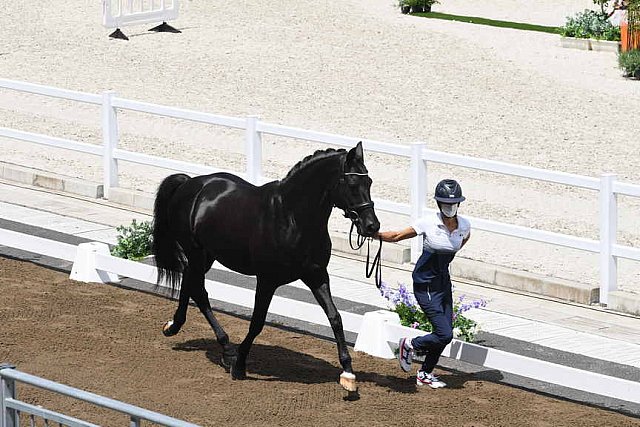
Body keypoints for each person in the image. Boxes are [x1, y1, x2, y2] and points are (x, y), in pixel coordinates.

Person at [376, 179, 470, 389]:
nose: (450, 207)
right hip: (425, 284)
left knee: (445, 334)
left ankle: (425, 373)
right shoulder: (428, 222)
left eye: (453, 204)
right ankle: (409, 344)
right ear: (438, 204)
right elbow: (398, 235)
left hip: (443, 283)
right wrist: (375, 235)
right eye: (446, 203)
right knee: (443, 333)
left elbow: (462, 240)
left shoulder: (464, 226)